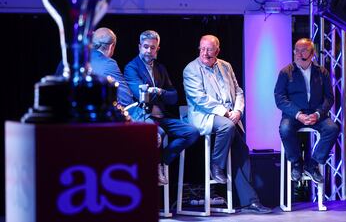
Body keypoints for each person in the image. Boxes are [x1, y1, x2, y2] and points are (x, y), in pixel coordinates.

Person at [183, 34, 271, 214]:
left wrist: (238, 111)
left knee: (242, 151)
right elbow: (200, 98)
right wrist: (225, 113)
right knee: (227, 126)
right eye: (202, 49)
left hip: (230, 116)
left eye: (209, 49)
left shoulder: (226, 66)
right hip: (206, 115)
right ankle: (216, 165)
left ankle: (250, 201)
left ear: (217, 50)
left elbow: (238, 91)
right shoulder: (191, 69)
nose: (205, 53)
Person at [124, 30, 200, 185]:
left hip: (163, 117)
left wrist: (158, 91)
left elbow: (174, 97)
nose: (148, 51)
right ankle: (154, 167)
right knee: (157, 132)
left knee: (192, 132)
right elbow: (142, 95)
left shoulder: (160, 68)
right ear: (139, 47)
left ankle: (161, 162)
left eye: (152, 48)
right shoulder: (131, 68)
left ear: (157, 49)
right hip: (144, 117)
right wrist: (159, 94)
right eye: (145, 46)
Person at [274, 38, 339, 183]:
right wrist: (298, 114)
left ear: (312, 53)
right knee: (285, 129)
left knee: (332, 129)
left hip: (316, 113)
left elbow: (329, 98)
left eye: (303, 50)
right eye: (296, 50)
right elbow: (280, 98)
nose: (298, 53)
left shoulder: (322, 72)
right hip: (294, 115)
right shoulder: (286, 72)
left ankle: (313, 163)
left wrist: (317, 113)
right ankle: (297, 162)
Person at [55, 27, 134, 108]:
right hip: (92, 117)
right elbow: (126, 100)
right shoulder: (108, 64)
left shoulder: (66, 60)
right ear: (111, 47)